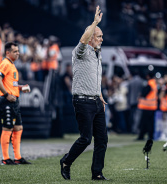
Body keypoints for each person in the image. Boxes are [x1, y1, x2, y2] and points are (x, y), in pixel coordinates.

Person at [60, 6, 108, 180]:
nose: (102, 39)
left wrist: (100, 94)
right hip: (82, 101)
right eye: (99, 36)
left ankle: (97, 173)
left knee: (102, 139)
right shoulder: (80, 52)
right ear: (90, 38)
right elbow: (82, 40)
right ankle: (66, 161)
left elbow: (95, 77)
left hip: (96, 101)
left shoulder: (97, 54)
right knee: (86, 139)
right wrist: (94, 22)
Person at [0, 42, 31, 165]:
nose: (18, 53)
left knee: (18, 127)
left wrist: (20, 88)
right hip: (6, 101)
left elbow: (11, 84)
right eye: (15, 51)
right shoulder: (5, 63)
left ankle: (18, 158)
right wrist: (6, 94)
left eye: (18, 51)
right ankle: (5, 158)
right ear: (7, 52)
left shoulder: (12, 65)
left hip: (14, 101)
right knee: (7, 128)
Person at [136, 71, 157, 140]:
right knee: (150, 123)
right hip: (152, 106)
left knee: (144, 123)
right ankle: (150, 136)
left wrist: (140, 95)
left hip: (147, 106)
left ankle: (142, 136)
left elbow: (145, 93)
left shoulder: (150, 83)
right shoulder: (154, 83)